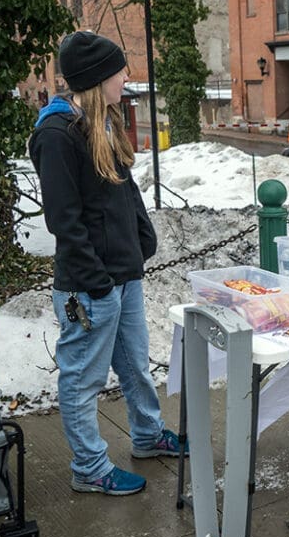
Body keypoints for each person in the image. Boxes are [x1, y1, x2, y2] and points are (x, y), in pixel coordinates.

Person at [28, 30, 186, 496]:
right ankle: (90, 467)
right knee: (83, 378)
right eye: (120, 70)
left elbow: (123, 189)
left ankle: (147, 435)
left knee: (136, 365)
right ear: (99, 78)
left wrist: (141, 238)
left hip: (124, 276)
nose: (126, 77)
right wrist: (97, 281)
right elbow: (64, 220)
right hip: (89, 285)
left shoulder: (104, 123)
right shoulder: (56, 135)